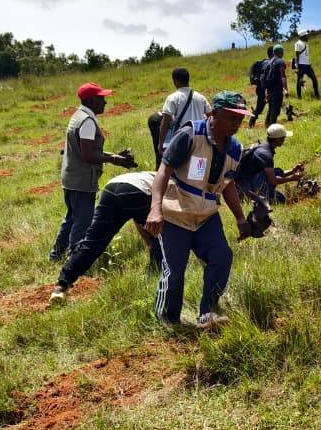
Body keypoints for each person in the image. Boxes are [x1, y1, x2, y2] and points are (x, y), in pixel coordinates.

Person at [145, 91, 252, 328]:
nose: (236, 124)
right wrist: (155, 209)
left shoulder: (235, 149)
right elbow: (163, 171)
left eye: (240, 119)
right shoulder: (191, 134)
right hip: (176, 214)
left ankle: (208, 312)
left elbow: (228, 184)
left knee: (222, 257)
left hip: (206, 216)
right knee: (175, 272)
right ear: (213, 114)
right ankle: (168, 320)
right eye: (231, 117)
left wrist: (241, 218)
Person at [51, 83, 137, 262]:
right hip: (82, 180)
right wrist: (114, 159)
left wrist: (116, 158)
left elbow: (87, 151)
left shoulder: (78, 116)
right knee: (82, 222)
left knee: (71, 218)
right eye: (101, 99)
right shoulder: (88, 122)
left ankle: (56, 255)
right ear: (91, 100)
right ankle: (76, 260)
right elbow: (88, 155)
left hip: (71, 177)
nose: (105, 103)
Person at [49, 171, 159, 302]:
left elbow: (139, 220)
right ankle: (155, 277)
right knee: (163, 241)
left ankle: (61, 286)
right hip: (137, 192)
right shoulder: (172, 181)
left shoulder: (152, 174)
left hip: (112, 188)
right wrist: (153, 242)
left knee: (93, 242)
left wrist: (149, 242)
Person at [148, 67, 209, 167]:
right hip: (199, 139)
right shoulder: (201, 97)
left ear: (175, 81)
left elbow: (165, 122)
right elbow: (210, 116)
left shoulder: (173, 98)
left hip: (182, 140)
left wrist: (161, 144)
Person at [236, 124, 306, 204]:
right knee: (280, 200)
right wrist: (292, 178)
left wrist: (292, 171)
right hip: (246, 186)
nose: (284, 140)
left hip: (246, 182)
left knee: (278, 172)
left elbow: (272, 174)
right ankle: (257, 197)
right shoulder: (266, 155)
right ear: (278, 139)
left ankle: (257, 195)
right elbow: (273, 180)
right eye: (283, 138)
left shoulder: (263, 146)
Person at [249, 45, 289, 127]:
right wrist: (285, 88)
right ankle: (270, 127)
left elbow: (264, 77)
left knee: (262, 108)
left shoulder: (266, 63)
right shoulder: (277, 62)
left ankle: (254, 123)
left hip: (263, 89)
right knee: (274, 110)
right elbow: (283, 76)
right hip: (272, 90)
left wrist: (265, 90)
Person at [293, 30, 319, 100]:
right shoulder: (298, 43)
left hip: (307, 65)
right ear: (303, 36)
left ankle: (317, 95)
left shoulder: (306, 44)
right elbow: (297, 55)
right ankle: (299, 97)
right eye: (306, 35)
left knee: (314, 78)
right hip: (301, 65)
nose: (308, 36)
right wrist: (297, 66)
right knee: (299, 80)